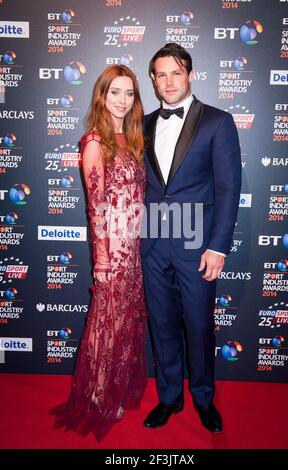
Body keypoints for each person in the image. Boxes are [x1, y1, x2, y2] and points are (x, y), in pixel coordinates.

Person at [141, 43, 241, 433]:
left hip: (198, 244)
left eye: (176, 73)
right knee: (162, 324)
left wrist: (218, 246)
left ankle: (202, 397)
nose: (168, 81)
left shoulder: (218, 121)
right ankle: (169, 397)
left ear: (190, 75)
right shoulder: (144, 123)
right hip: (151, 241)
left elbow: (228, 189)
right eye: (161, 74)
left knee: (198, 325)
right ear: (153, 79)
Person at [50, 65, 147, 442]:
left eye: (129, 94)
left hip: (135, 246)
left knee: (123, 322)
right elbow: (96, 205)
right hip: (114, 249)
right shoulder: (94, 141)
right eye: (115, 93)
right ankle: (96, 395)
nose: (122, 101)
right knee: (106, 323)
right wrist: (102, 258)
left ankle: (114, 389)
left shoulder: (132, 140)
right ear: (101, 96)